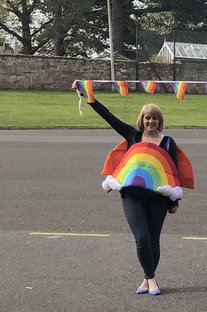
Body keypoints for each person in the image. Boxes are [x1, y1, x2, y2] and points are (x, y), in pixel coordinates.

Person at [73, 81, 190, 295]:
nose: (150, 121)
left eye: (154, 118)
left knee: (153, 238)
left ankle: (147, 279)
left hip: (158, 198)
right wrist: (88, 96)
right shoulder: (133, 136)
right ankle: (151, 279)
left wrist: (174, 201)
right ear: (142, 120)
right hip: (132, 195)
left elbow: (173, 173)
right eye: (147, 117)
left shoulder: (168, 142)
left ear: (159, 121)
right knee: (142, 237)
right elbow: (109, 118)